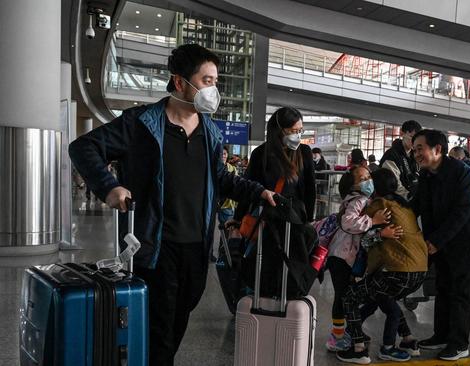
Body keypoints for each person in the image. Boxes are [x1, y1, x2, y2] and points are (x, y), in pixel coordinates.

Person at [68, 43, 276, 366]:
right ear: (180, 82)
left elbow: (221, 178)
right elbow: (83, 148)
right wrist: (110, 186)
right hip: (156, 248)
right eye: (207, 81)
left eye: (215, 81)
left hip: (196, 249)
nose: (214, 90)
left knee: (177, 323)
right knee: (161, 333)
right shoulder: (141, 124)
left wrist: (259, 192)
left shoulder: (209, 131)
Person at [411, 129, 470, 361]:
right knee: (443, 289)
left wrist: (436, 241)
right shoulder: (426, 174)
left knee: (461, 294)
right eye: (414, 149)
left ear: (437, 149)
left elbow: (462, 212)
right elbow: (416, 205)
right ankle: (441, 335)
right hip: (444, 245)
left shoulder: (461, 173)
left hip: (467, 245)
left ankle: (459, 344)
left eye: (420, 148)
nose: (416, 153)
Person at [336, 168, 426, 364]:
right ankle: (408, 339)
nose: (367, 182)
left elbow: (360, 234)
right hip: (418, 271)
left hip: (397, 272)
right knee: (383, 297)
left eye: (369, 179)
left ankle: (359, 347)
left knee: (350, 297)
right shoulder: (404, 205)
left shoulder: (378, 205)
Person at [325, 166, 392, 354]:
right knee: (342, 297)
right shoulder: (359, 200)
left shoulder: (360, 199)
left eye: (369, 176)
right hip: (340, 257)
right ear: (353, 185)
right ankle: (336, 337)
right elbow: (348, 222)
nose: (368, 180)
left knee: (346, 296)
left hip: (344, 256)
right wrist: (374, 222)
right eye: (363, 178)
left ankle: (346, 332)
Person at [380, 120, 422, 199]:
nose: (414, 142)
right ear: (402, 134)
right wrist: (410, 198)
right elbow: (395, 186)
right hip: (396, 201)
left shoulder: (414, 154)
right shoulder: (391, 156)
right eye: (411, 137)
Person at [219, 146, 238, 224]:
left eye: (225, 153)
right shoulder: (213, 168)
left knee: (226, 231)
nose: (223, 156)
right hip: (214, 203)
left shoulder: (232, 169)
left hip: (227, 205)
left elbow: (236, 186)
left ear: (227, 155)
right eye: (221, 154)